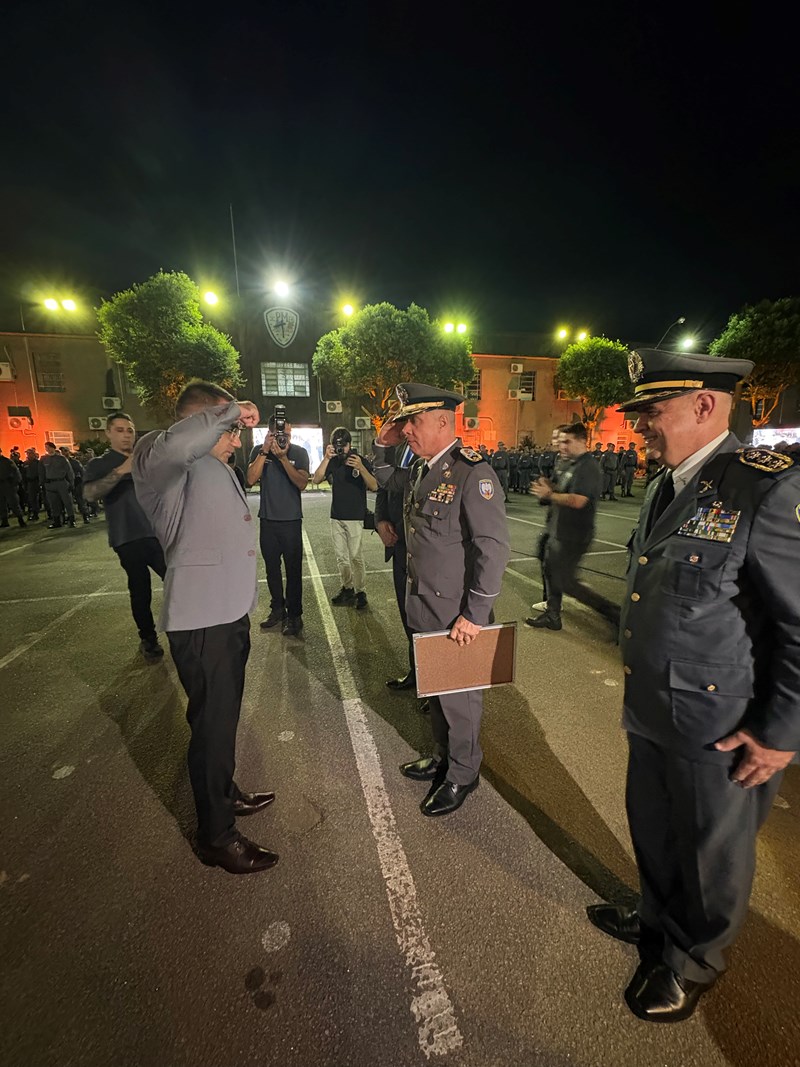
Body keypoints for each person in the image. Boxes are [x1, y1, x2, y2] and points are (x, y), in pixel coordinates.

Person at [586, 348, 800, 1023]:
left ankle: (693, 956)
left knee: (710, 851)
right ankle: (656, 921)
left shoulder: (764, 487)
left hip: (719, 721)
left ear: (706, 405)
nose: (640, 424)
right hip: (653, 709)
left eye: (652, 409)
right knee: (654, 829)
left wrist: (781, 733)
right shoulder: (668, 483)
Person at [132, 380, 278, 875]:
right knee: (211, 730)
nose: (237, 438)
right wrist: (233, 409)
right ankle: (216, 836)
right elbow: (179, 442)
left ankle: (225, 792)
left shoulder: (212, 465)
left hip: (227, 613)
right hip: (202, 619)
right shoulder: (162, 457)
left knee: (221, 719)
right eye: (230, 429)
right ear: (202, 420)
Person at [373, 383, 510, 817]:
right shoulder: (419, 469)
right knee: (435, 692)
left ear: (442, 421)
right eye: (405, 421)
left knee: (460, 700)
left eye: (412, 420)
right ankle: (442, 755)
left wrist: (475, 614)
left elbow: (492, 548)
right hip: (425, 607)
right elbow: (383, 479)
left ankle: (463, 772)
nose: (406, 429)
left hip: (456, 616)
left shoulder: (473, 473)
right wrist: (382, 442)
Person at [83, 413, 167, 662]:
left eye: (130, 430)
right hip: (127, 537)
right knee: (140, 590)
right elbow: (89, 494)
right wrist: (120, 470)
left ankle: (184, 629)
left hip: (156, 534)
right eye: (119, 430)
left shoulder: (147, 459)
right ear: (108, 433)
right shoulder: (101, 463)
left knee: (177, 580)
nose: (126, 434)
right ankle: (148, 639)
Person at [526, 422, 618, 631]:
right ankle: (552, 614)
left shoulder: (588, 467)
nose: (562, 446)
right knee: (549, 569)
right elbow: (557, 490)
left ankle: (615, 614)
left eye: (567, 442)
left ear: (582, 441)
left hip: (574, 534)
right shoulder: (566, 463)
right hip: (556, 529)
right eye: (560, 442)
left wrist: (549, 494)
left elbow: (579, 500)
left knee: (567, 582)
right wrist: (547, 489)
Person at [246, 414, 310, 638]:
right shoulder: (259, 451)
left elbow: (302, 483)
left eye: (288, 435)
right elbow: (250, 479)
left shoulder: (299, 453)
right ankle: (277, 610)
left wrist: (283, 459)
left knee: (293, 571)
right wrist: (265, 450)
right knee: (272, 570)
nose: (285, 439)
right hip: (268, 521)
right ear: (270, 433)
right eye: (279, 435)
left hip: (291, 521)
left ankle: (294, 615)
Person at [311, 426, 377, 609]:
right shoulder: (333, 462)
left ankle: (360, 591)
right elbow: (315, 480)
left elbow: (374, 486)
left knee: (356, 557)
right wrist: (326, 458)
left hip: (355, 517)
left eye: (344, 446)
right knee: (341, 557)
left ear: (350, 444)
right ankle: (347, 588)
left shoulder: (359, 461)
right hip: (336, 516)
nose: (341, 450)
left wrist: (361, 468)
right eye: (337, 446)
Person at [39, 441, 76, 528]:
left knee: (67, 502)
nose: (47, 449)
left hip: (61, 482)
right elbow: (41, 472)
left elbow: (69, 471)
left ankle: (71, 520)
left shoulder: (61, 459)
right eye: (46, 447)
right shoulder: (44, 459)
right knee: (53, 503)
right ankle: (57, 521)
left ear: (53, 448)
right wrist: (42, 483)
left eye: (48, 447)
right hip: (50, 484)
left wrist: (71, 483)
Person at [60, 446, 91, 524]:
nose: (64, 453)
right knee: (68, 503)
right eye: (62, 451)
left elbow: (82, 472)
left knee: (81, 501)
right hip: (66, 484)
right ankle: (70, 518)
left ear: (69, 452)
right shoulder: (60, 462)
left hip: (77, 483)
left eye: (65, 451)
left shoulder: (75, 462)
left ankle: (85, 516)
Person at [0, 450, 26, 528]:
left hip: (8, 485)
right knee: (1, 505)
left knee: (14, 503)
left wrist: (15, 483)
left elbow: (16, 473)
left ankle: (20, 519)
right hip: (1, 486)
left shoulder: (7, 461)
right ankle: (4, 520)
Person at [22, 448, 43, 520]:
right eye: (27, 453)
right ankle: (34, 513)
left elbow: (41, 473)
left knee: (38, 498)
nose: (28, 454)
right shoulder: (25, 463)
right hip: (29, 483)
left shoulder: (38, 463)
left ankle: (39, 513)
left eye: (30, 453)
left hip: (36, 482)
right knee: (31, 499)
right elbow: (24, 474)